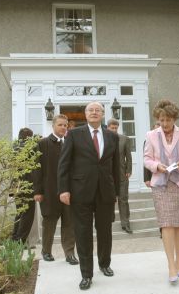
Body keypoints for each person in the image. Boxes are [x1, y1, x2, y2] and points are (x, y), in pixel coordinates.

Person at [58, 102, 120, 291]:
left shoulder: (111, 136)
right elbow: (64, 163)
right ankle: (86, 274)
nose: (94, 113)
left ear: (102, 114)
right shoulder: (74, 134)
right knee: (83, 233)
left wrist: (116, 192)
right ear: (85, 115)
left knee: (105, 231)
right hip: (80, 191)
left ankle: (104, 263)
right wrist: (64, 189)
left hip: (105, 192)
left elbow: (115, 166)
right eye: (90, 110)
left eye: (97, 110)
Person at [144, 99, 179, 284]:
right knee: (166, 224)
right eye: (161, 120)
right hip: (161, 185)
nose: (165, 124)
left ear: (174, 118)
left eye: (168, 120)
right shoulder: (151, 135)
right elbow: (146, 159)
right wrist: (156, 166)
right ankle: (171, 266)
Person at [33, 114, 79, 265]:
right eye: (60, 125)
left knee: (69, 223)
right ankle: (46, 251)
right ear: (53, 126)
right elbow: (36, 169)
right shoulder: (43, 143)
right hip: (49, 192)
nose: (63, 128)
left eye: (65, 125)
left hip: (69, 192)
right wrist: (38, 191)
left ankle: (70, 253)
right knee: (49, 223)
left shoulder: (72, 143)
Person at [107, 118, 133, 234]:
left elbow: (129, 157)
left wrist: (129, 169)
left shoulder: (124, 139)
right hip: (107, 176)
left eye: (115, 128)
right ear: (108, 127)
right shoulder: (103, 139)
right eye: (112, 128)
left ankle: (126, 223)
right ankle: (108, 222)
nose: (114, 130)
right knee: (108, 200)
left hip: (122, 174)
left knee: (123, 199)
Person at [11, 127, 37, 245]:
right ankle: (20, 241)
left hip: (16, 185)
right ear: (29, 137)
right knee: (27, 214)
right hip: (27, 185)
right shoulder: (30, 148)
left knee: (20, 212)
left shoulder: (14, 148)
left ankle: (15, 239)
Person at [144, 121, 161, 188]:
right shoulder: (148, 141)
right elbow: (146, 160)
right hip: (154, 174)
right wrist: (147, 178)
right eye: (155, 130)